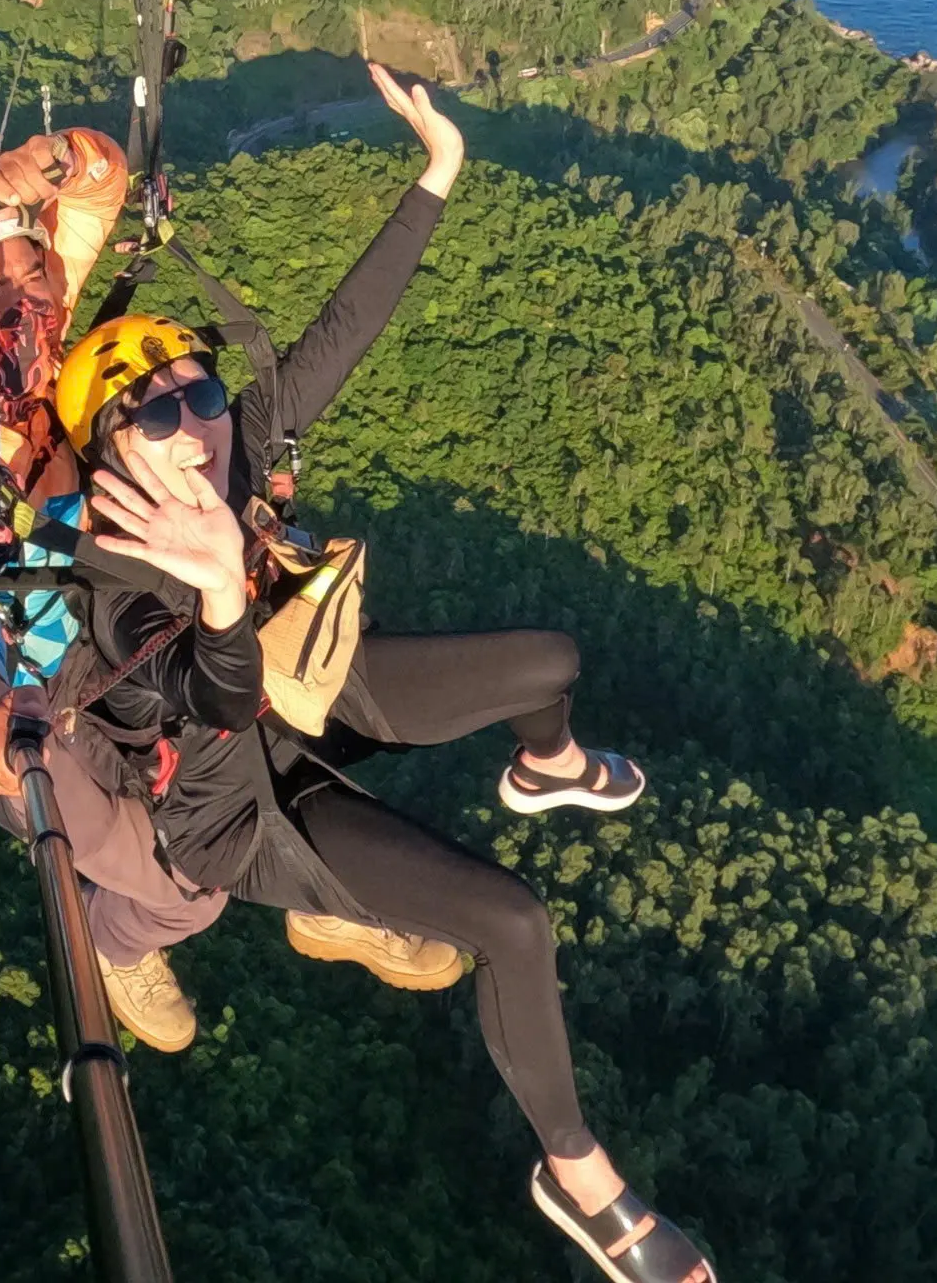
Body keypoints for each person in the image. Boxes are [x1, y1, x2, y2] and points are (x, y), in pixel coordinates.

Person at [47, 73, 718, 1281]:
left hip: (304, 698)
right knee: (511, 924)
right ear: (104, 453)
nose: (190, 424)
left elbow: (337, 340)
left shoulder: (229, 449)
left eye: (196, 394)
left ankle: (546, 768)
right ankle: (581, 1180)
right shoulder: (111, 583)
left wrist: (435, 178)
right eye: (150, 416)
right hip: (232, 808)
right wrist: (212, 588)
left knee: (550, 664)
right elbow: (204, 708)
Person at [0, 116, 459, 1052]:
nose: (25, 294)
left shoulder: (26, 343)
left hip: (98, 635)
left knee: (257, 705)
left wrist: (58, 160)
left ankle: (323, 896)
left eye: (29, 269)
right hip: (18, 707)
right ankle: (120, 939)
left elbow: (97, 192)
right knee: (186, 885)